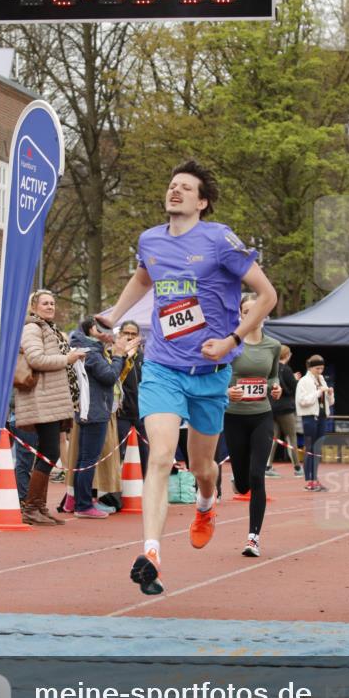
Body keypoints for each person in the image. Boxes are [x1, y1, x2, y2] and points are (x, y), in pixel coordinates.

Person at [99, 159, 277, 596]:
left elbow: (268, 294)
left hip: (211, 374)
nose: (174, 191)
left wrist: (232, 337)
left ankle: (205, 504)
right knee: (159, 457)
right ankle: (152, 553)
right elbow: (144, 277)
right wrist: (113, 315)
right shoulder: (150, 240)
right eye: (171, 185)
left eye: (185, 187)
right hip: (163, 367)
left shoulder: (219, 240)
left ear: (203, 201)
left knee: (203, 468)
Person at [15, 289, 86, 525]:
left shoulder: (48, 329)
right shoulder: (32, 328)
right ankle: (32, 507)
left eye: (53, 303)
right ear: (33, 307)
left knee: (50, 450)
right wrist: (68, 359)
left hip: (52, 397)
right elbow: (35, 359)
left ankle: (38, 506)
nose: (50, 306)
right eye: (45, 303)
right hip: (42, 397)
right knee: (49, 452)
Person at [224, 293, 282, 557]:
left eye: (255, 311)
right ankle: (240, 479)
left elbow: (271, 378)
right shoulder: (231, 343)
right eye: (246, 311)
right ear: (240, 315)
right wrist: (228, 392)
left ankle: (253, 538)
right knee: (245, 483)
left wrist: (276, 388)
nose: (251, 315)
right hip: (234, 416)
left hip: (262, 415)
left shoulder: (273, 346)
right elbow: (216, 377)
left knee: (258, 476)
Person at [69, 317, 136, 518]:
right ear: (92, 330)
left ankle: (84, 501)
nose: (110, 335)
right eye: (105, 330)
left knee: (85, 458)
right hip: (94, 410)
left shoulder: (88, 348)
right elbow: (108, 377)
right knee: (88, 459)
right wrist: (118, 356)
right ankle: (83, 505)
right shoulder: (90, 352)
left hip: (92, 407)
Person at [296, 354, 334, 492]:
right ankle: (309, 480)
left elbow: (331, 402)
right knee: (310, 448)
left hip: (322, 416)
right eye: (317, 368)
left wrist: (330, 393)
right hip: (309, 417)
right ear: (311, 368)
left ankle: (315, 478)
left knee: (317, 449)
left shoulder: (322, 379)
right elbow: (302, 401)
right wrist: (318, 393)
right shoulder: (304, 381)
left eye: (322, 368)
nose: (320, 371)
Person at [116, 320, 149, 476]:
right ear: (120, 334)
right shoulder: (114, 355)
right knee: (118, 455)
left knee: (145, 455)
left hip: (142, 413)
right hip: (121, 413)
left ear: (139, 337)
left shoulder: (146, 357)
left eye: (133, 334)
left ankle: (146, 490)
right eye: (126, 333)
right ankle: (115, 493)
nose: (129, 337)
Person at [266, 344, 303, 478]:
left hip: (272, 406)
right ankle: (298, 467)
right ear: (286, 355)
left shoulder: (271, 368)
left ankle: (268, 466)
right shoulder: (286, 369)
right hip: (285, 408)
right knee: (291, 436)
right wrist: (295, 380)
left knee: (273, 438)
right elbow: (293, 388)